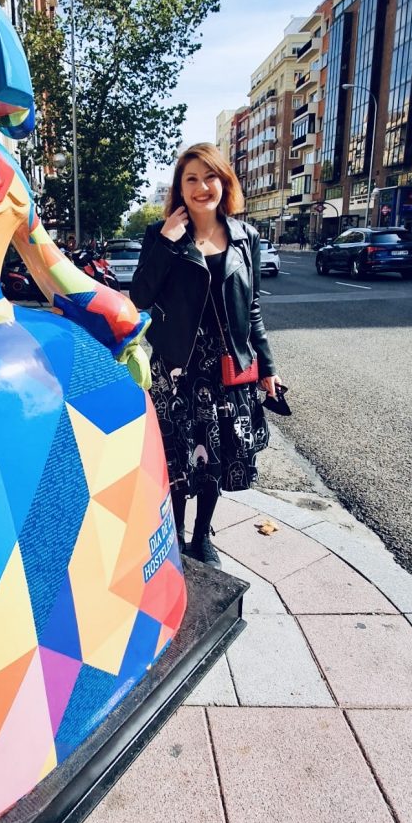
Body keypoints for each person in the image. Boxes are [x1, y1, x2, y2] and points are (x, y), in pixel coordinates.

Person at [131, 142, 282, 568]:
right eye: (191, 178)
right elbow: (140, 296)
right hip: (177, 366)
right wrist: (164, 243)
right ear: (180, 187)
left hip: (226, 369)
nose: (202, 187)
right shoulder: (160, 236)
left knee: (216, 455)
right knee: (178, 455)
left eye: (210, 177)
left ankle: (202, 537)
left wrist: (266, 366)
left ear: (224, 182)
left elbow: (252, 308)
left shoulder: (244, 236)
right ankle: (174, 535)